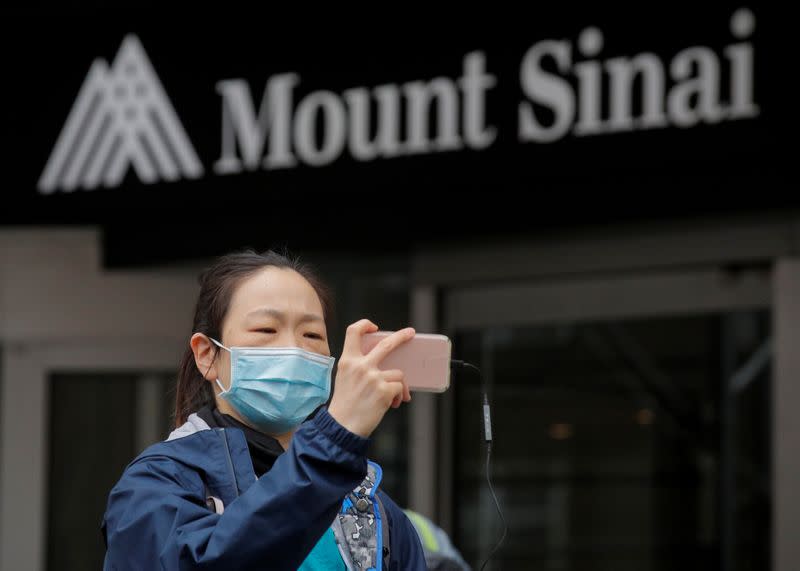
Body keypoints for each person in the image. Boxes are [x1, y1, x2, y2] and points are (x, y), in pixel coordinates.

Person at [101, 250, 427, 570]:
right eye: (266, 330)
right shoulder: (156, 485)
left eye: (312, 334)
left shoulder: (373, 507)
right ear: (207, 355)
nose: (294, 348)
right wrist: (336, 436)